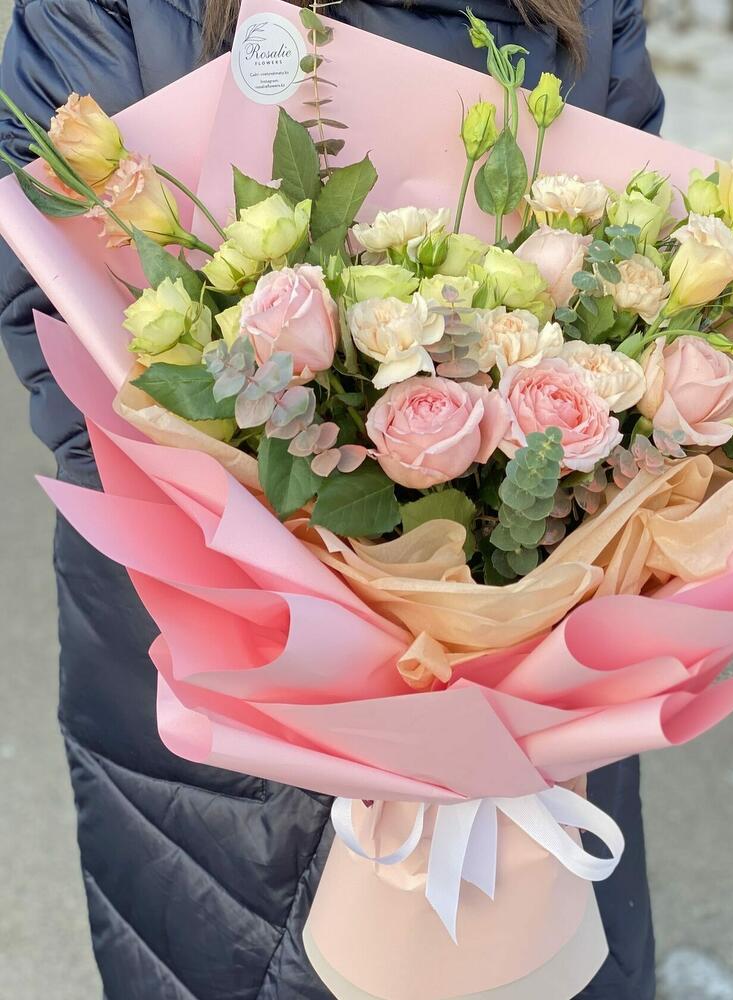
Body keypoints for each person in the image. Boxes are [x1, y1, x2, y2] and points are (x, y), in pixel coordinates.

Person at [0, 0, 663, 996]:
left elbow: (639, 248)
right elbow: (55, 302)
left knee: (530, 954)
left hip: (528, 634)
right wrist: (278, 564)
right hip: (214, 632)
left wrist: (508, 568)